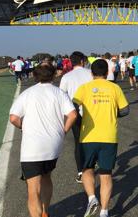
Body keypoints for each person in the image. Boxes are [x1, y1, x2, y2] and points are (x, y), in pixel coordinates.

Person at [9, 64, 77, 217]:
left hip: (32, 148)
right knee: (47, 176)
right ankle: (46, 211)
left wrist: (23, 127)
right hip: (53, 145)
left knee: (33, 188)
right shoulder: (59, 93)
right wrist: (63, 131)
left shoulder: (27, 94)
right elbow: (72, 115)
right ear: (53, 76)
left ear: (35, 76)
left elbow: (13, 118)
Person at [74, 59, 130, 217]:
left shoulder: (84, 88)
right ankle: (104, 211)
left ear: (91, 73)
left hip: (88, 136)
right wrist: (113, 113)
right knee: (106, 175)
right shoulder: (115, 87)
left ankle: (92, 197)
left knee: (86, 169)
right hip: (109, 136)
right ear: (107, 73)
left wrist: (80, 120)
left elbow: (73, 106)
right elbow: (125, 110)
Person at [60, 51, 94, 183]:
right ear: (82, 61)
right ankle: (92, 162)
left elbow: (61, 96)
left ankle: (81, 171)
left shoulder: (66, 77)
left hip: (74, 113)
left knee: (78, 142)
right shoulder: (90, 73)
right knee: (93, 140)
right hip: (92, 112)